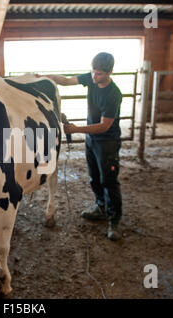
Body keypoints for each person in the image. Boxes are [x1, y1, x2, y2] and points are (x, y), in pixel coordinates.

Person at [44, 52, 123, 241]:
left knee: (109, 181)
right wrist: (43, 78)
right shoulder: (90, 78)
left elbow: (105, 125)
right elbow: (65, 81)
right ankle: (100, 207)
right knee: (94, 177)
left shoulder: (114, 94)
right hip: (92, 140)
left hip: (107, 142)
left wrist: (76, 128)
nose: (94, 77)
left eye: (99, 74)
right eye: (93, 72)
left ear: (109, 72)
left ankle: (114, 221)